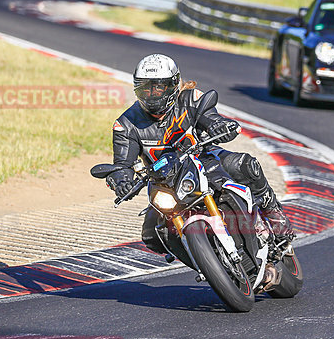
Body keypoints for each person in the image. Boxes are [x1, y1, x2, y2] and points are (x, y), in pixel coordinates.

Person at [105, 54, 295, 255]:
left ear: (174, 84)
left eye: (159, 87)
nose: (153, 94)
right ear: (137, 89)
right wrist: (121, 180)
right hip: (163, 182)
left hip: (203, 159)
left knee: (245, 165)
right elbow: (121, 164)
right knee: (152, 236)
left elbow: (211, 117)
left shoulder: (190, 99)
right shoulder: (126, 123)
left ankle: (274, 214)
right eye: (146, 88)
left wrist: (219, 126)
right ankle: (201, 260)